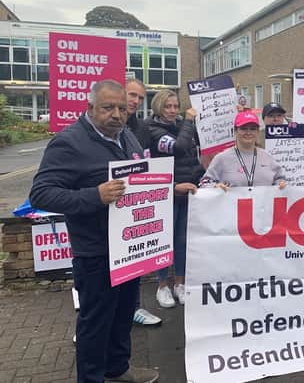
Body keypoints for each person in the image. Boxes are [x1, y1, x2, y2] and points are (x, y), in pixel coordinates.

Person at [30, 80, 159, 383]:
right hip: (96, 251)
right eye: (107, 108)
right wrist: (94, 195)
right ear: (90, 108)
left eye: (121, 108)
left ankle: (118, 367)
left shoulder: (126, 137)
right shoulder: (69, 142)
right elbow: (41, 194)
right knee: (96, 320)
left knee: (124, 312)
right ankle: (91, 378)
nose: (116, 114)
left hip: (129, 247)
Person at [147, 90, 204, 308]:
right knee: (164, 243)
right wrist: (189, 121)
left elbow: (197, 149)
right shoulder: (152, 129)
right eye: (167, 107)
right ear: (158, 108)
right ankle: (162, 285)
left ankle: (180, 283)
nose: (172, 111)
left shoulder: (184, 125)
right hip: (167, 194)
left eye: (174, 106)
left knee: (182, 242)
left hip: (188, 191)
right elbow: (179, 148)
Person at [124, 79, 162, 326]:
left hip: (134, 203)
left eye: (139, 97)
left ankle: (133, 309)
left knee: (132, 262)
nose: (135, 101)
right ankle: (90, 325)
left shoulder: (142, 128)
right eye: (131, 95)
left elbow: (149, 164)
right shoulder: (91, 129)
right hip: (103, 202)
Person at [201, 111, 286, 188]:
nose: (248, 132)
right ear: (235, 131)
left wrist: (280, 183)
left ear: (258, 131)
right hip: (232, 205)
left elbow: (280, 179)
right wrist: (215, 187)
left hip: (263, 205)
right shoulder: (222, 158)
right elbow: (204, 183)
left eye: (252, 129)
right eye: (243, 128)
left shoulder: (267, 157)